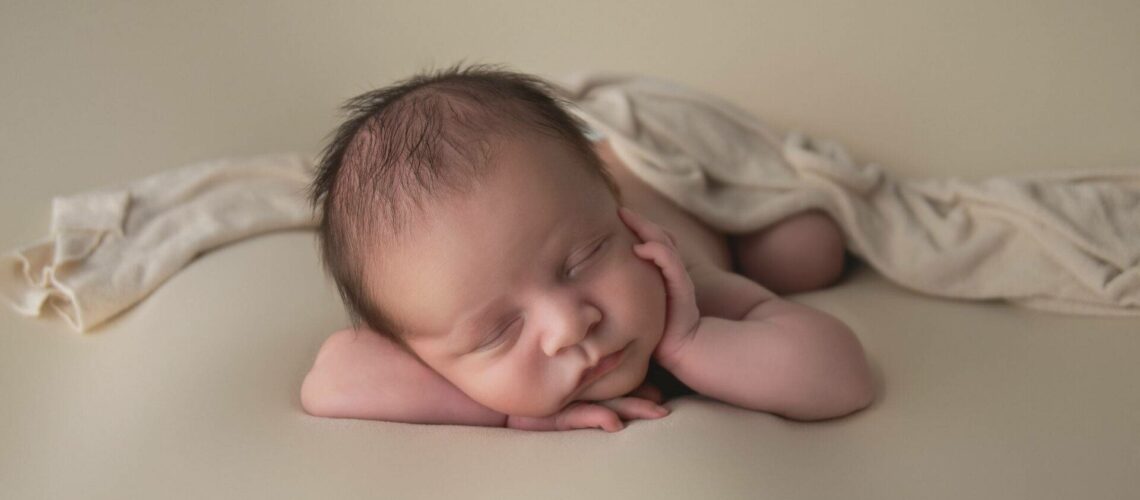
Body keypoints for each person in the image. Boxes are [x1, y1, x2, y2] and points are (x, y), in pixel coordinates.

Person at [300, 63, 874, 431]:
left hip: (653, 165)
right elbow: (333, 378)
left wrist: (695, 341)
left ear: (616, 216)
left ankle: (618, 162)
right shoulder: (439, 302)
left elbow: (845, 375)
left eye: (583, 260)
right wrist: (509, 410)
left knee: (806, 250)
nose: (569, 326)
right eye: (497, 333)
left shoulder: (673, 283)